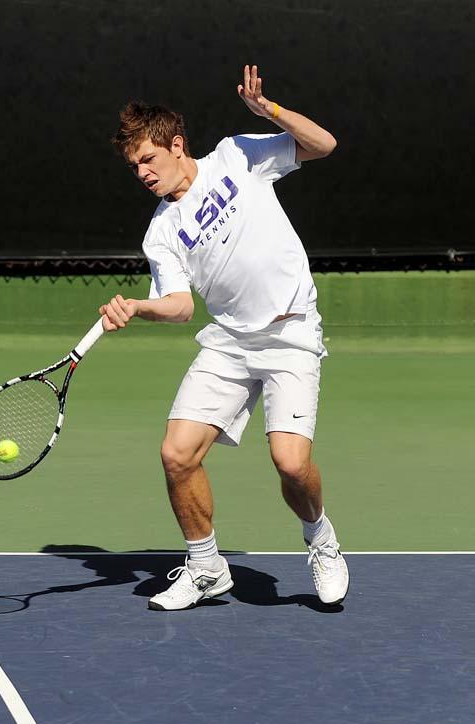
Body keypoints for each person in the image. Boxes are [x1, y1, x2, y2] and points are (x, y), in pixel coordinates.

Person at [100, 64, 349, 610]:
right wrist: (140, 306)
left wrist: (272, 113)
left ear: (177, 145)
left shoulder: (236, 156)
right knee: (177, 454)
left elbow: (324, 145)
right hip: (230, 342)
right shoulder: (160, 232)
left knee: (290, 463)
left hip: (291, 333)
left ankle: (320, 537)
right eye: (133, 166)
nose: (142, 172)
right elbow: (182, 306)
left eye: (148, 158)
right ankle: (207, 566)